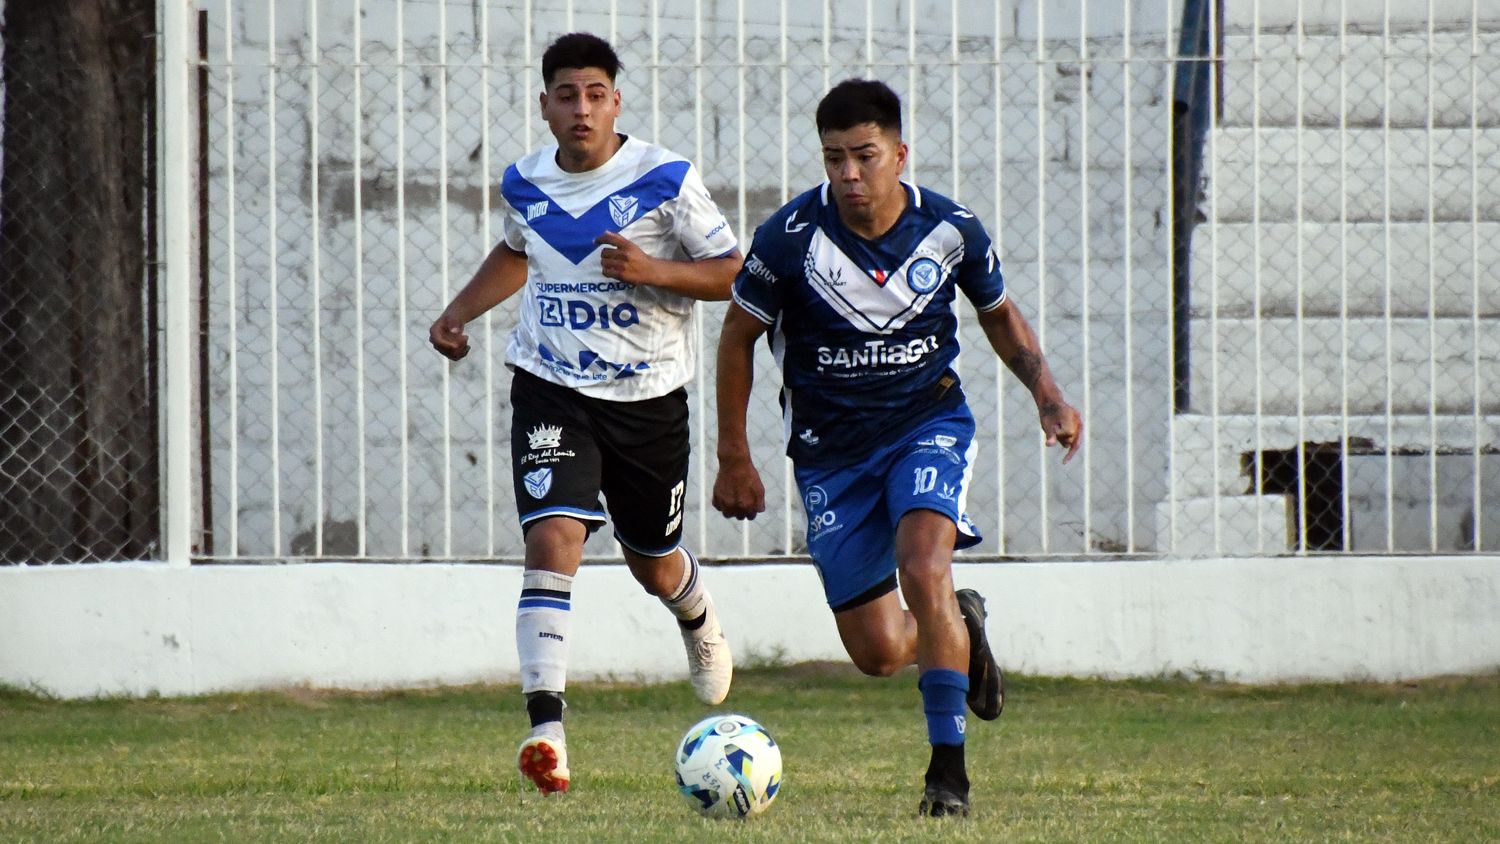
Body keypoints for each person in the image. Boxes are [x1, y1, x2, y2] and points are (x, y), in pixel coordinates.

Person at [712, 78, 1082, 818]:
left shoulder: (951, 229)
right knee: (880, 652)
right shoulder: (787, 239)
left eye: (864, 156)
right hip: (829, 453)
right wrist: (734, 455)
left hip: (927, 424)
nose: (849, 173)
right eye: (834, 159)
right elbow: (738, 337)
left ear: (899, 154)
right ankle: (959, 622)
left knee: (923, 565)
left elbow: (1000, 318)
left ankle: (948, 775)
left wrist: (1048, 395)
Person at [429, 32, 742, 797]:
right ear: (544, 104)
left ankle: (697, 615)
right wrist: (458, 312)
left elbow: (734, 271)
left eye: (596, 94)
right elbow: (518, 250)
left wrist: (653, 270)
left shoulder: (665, 178)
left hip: (648, 400)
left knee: (652, 562)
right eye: (566, 94)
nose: (581, 109)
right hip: (551, 386)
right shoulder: (526, 181)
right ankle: (547, 733)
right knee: (553, 538)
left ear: (616, 102)